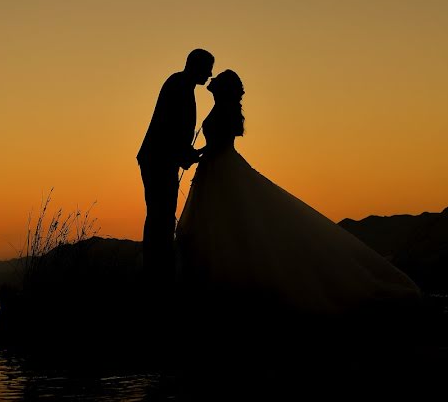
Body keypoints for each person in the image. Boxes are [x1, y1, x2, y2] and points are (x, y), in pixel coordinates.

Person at [176, 70, 420, 314]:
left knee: (230, 225)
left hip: (222, 171)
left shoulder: (223, 110)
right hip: (217, 170)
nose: (211, 79)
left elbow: (218, 147)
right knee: (226, 224)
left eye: (216, 79)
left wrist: (196, 155)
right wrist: (198, 155)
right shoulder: (220, 108)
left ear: (224, 89)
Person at [138, 49, 214, 288]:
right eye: (207, 68)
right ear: (196, 66)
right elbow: (169, 129)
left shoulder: (181, 85)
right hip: (158, 161)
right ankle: (157, 275)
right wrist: (188, 154)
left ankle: (157, 271)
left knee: (161, 217)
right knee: (160, 217)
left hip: (161, 160)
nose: (210, 74)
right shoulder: (178, 86)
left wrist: (189, 154)